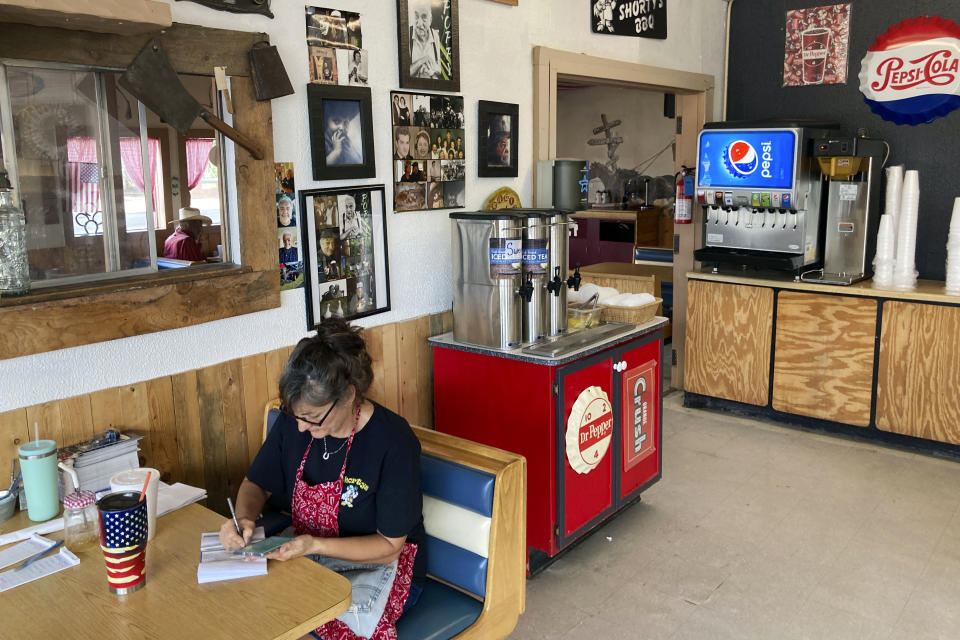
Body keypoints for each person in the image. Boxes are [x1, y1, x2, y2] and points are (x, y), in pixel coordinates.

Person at [219, 320, 426, 640]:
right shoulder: (295, 421)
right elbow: (256, 484)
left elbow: (388, 547)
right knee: (246, 609)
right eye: (297, 417)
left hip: (380, 566)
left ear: (347, 396)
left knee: (307, 627)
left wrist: (313, 544)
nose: (301, 428)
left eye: (313, 419)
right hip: (308, 552)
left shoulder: (394, 442)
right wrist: (243, 518)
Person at [409, 2, 442, 79]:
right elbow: (404, 72)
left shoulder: (435, 36)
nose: (419, 24)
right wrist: (423, 60)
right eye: (416, 16)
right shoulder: (408, 34)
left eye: (424, 18)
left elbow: (439, 69)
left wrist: (430, 71)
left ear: (430, 20)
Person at [325, 101, 363, 165]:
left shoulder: (346, 141)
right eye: (336, 121)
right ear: (326, 122)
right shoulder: (325, 141)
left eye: (345, 123)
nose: (342, 128)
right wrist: (336, 151)